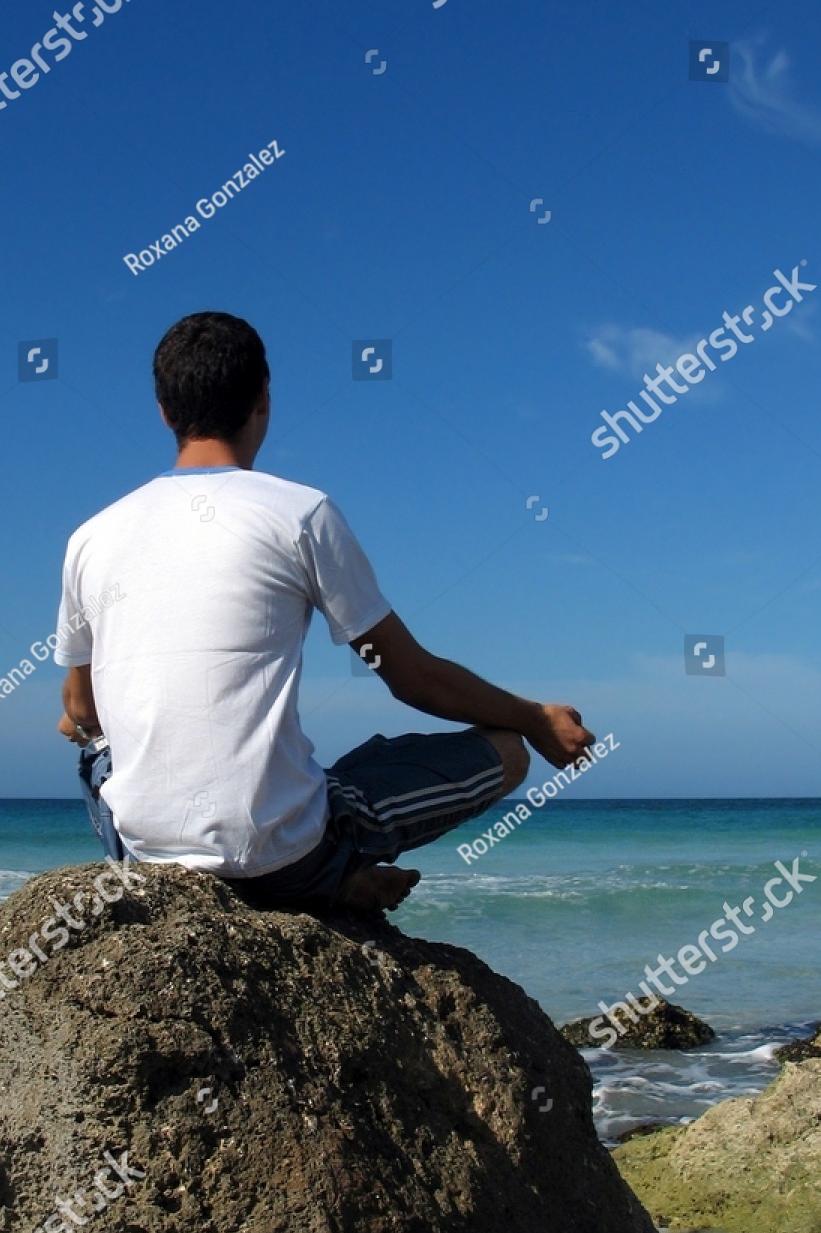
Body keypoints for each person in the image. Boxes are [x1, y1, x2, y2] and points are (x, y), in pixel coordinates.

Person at [54, 311, 595, 912]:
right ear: (264, 397)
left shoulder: (90, 538)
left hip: (146, 859)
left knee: (93, 753)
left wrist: (90, 719)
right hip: (281, 860)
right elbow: (412, 679)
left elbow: (81, 710)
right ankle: (336, 875)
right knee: (507, 751)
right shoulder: (301, 515)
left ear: (163, 409)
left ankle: (316, 870)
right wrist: (535, 718)